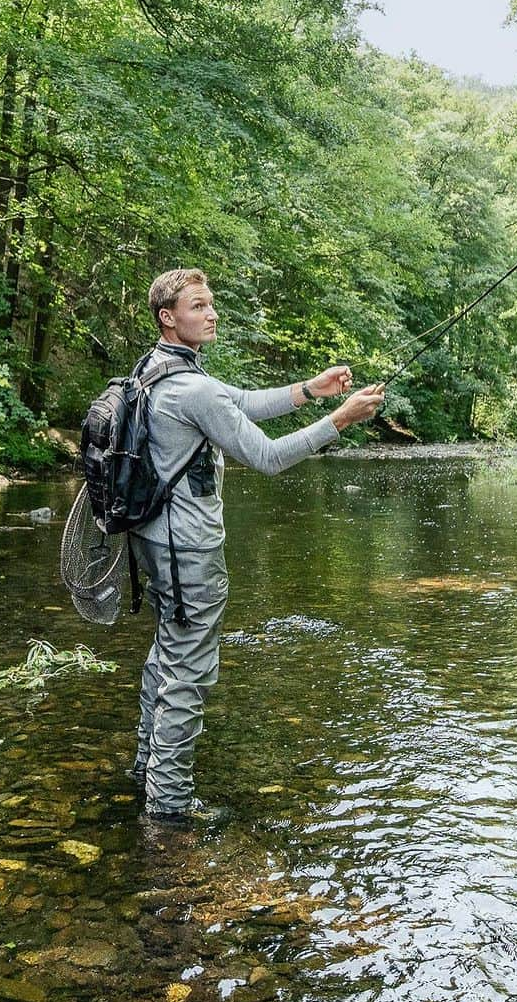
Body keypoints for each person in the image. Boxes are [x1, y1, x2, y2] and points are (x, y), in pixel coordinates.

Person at [130, 267, 385, 822]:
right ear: (168, 318)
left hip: (153, 542)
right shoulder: (192, 387)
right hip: (188, 550)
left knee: (166, 654)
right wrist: (337, 420)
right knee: (188, 672)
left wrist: (309, 392)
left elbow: (239, 401)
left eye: (211, 303)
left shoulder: (153, 372)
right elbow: (266, 457)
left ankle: (146, 772)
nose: (212, 313)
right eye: (198, 306)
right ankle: (168, 806)